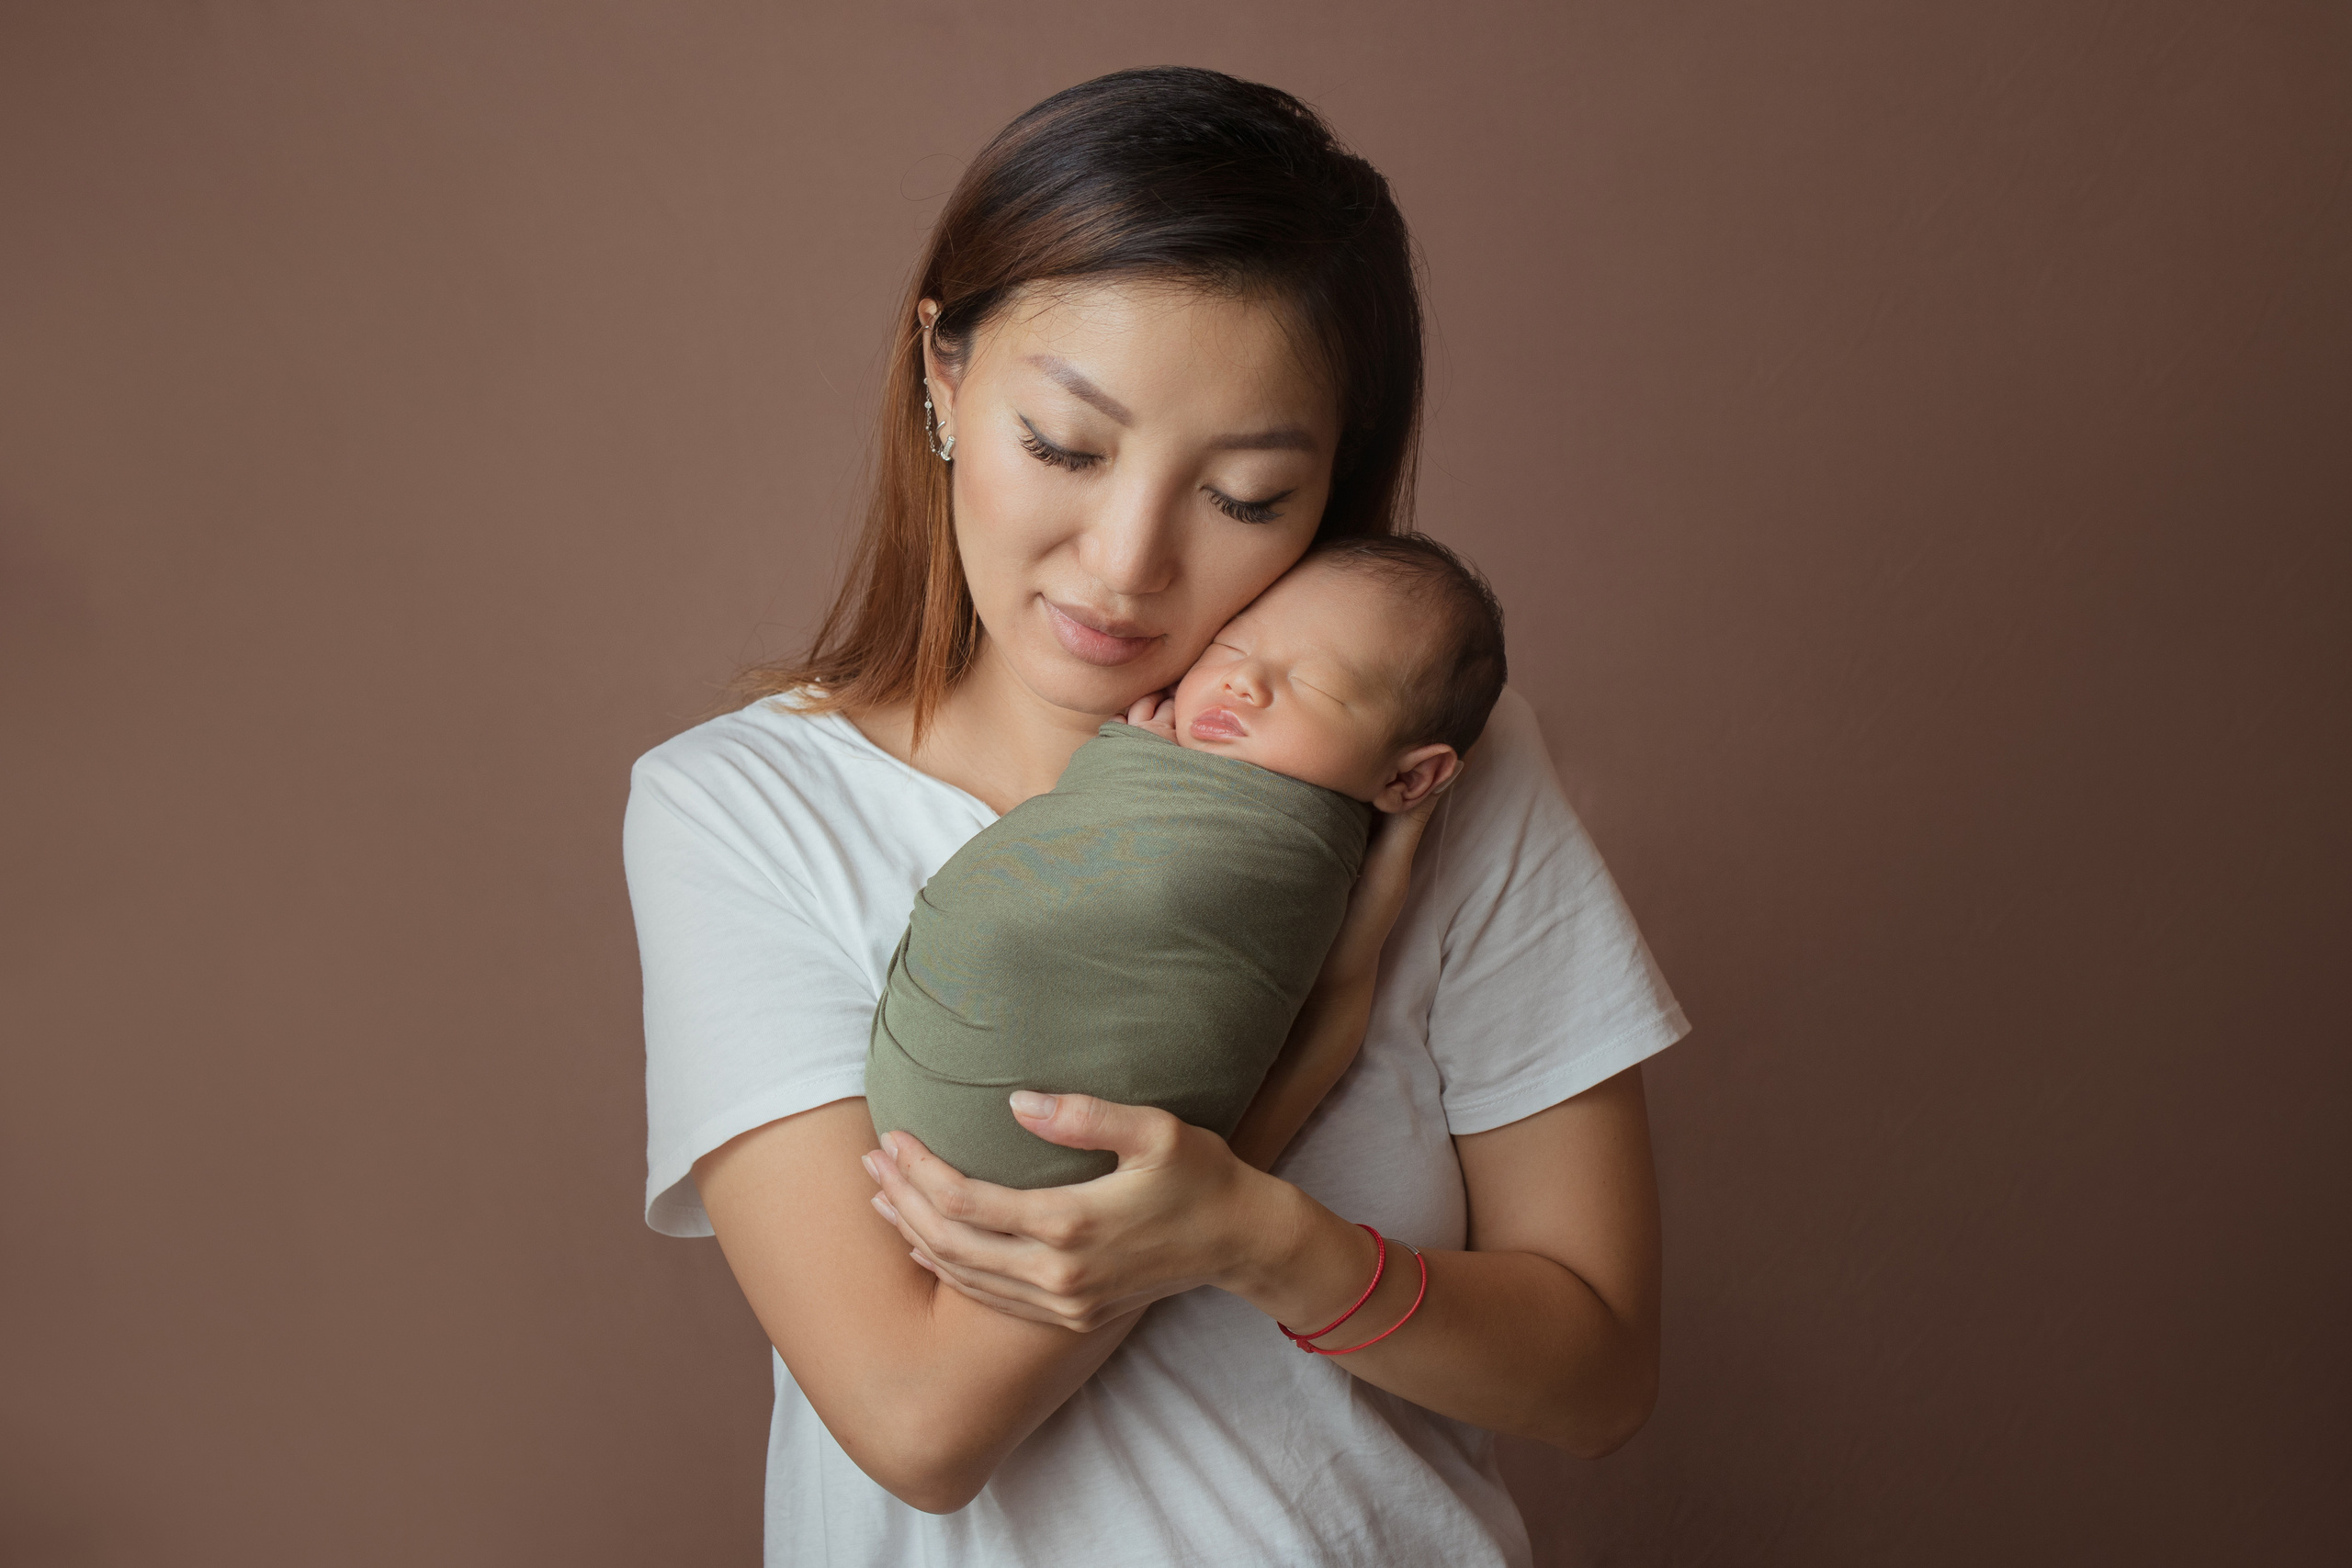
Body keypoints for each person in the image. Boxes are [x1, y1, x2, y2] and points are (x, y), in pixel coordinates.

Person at [623, 66, 1689, 1567]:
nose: (1124, 564)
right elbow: (922, 1424)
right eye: (1065, 446)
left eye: (1247, 495)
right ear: (942, 375)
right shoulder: (745, 808)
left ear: (1334, 492)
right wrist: (1294, 1042)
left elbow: (1596, 1375)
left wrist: (1278, 1247)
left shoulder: (1436, 759)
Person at [865, 536, 1506, 1191]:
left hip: (1052, 1142)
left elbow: (1162, 885)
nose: (1242, 680)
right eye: (1231, 645)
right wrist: (1131, 766)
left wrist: (1130, 763)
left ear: (1411, 779)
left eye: (1316, 682)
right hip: (952, 1099)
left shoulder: (1295, 844)